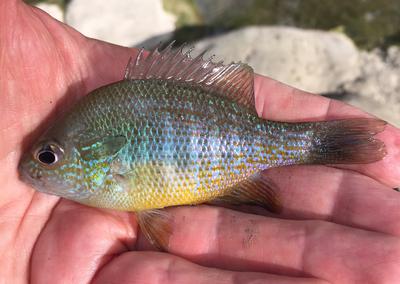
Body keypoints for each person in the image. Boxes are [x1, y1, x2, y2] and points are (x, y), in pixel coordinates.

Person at [1, 1, 399, 283]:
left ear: (96, 155)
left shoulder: (99, 140)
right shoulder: (94, 131)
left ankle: (317, 145)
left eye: (48, 157)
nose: (37, 168)